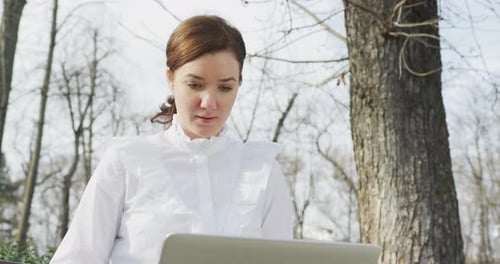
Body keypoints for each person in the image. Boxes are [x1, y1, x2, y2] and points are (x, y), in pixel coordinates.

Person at [50, 15, 294, 263]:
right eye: (195, 84)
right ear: (171, 78)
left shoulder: (262, 172)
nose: (209, 103)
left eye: (225, 88)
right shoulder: (127, 162)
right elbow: (76, 258)